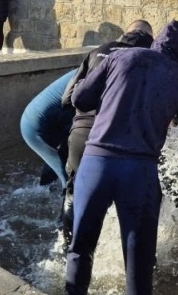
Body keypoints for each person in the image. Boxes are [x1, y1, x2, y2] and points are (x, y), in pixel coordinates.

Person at [66, 21, 178, 295]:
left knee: (80, 248)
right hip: (138, 175)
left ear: (156, 41)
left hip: (95, 164)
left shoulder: (118, 57)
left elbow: (80, 99)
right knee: (139, 267)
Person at [60, 20, 154, 246]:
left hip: (81, 133)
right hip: (118, 140)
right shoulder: (148, 58)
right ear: (150, 39)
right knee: (128, 201)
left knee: (73, 193)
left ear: (125, 33)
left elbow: (67, 100)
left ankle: (68, 248)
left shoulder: (98, 51)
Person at [21, 69, 77, 188]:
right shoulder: (109, 72)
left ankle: (44, 191)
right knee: (70, 179)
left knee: (60, 162)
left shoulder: (94, 62)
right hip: (38, 125)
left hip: (34, 119)